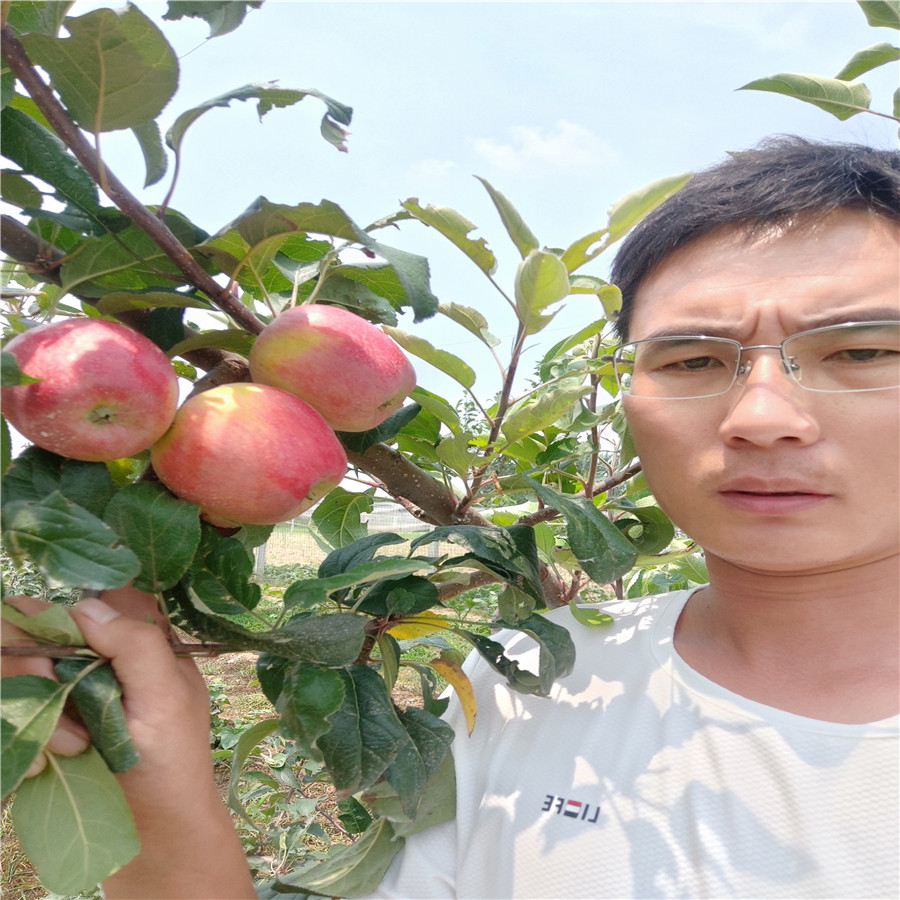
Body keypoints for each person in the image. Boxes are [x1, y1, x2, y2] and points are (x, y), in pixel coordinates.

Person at [4, 136, 899, 900]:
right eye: (693, 360)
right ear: (629, 396)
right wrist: (158, 791)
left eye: (861, 349)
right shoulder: (533, 676)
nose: (762, 416)